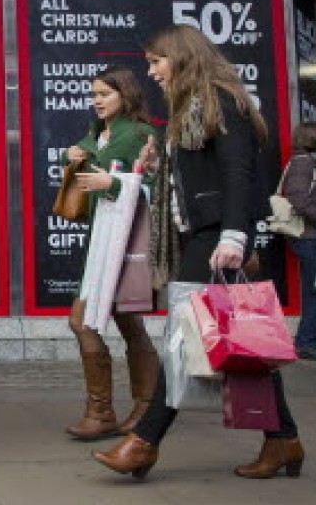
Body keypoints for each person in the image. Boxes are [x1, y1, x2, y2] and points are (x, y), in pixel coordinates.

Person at [93, 24, 303, 480]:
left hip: (217, 238)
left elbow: (236, 172)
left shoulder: (220, 100)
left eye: (156, 62)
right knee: (246, 342)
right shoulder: (191, 109)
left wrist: (233, 236)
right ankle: (284, 439)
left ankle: (144, 442)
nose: (151, 73)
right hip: (203, 236)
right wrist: (157, 162)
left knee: (183, 339)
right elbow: (198, 174)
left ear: (181, 57)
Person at [62, 67, 159, 440]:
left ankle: (102, 412)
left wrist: (113, 182)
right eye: (94, 94)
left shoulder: (140, 133)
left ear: (126, 95)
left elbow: (156, 183)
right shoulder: (96, 132)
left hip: (123, 239)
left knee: (84, 321)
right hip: (99, 236)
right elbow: (81, 166)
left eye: (105, 93)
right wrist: (69, 156)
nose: (97, 100)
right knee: (128, 323)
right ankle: (145, 406)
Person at [282, 122, 316, 360]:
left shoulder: (314, 163)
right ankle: (308, 341)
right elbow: (298, 199)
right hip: (312, 236)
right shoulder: (302, 163)